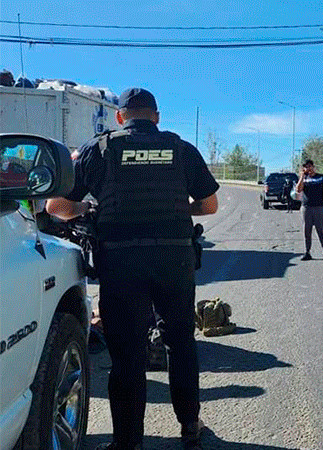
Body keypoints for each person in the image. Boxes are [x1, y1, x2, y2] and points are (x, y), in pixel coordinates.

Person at [46, 88, 219, 450]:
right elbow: (209, 205)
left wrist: (90, 210)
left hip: (121, 263)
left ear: (121, 117)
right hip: (174, 261)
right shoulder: (181, 148)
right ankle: (190, 427)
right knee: (181, 344)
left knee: (127, 354)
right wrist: (176, 210)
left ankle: (127, 442)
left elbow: (55, 206)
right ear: (157, 117)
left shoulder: (100, 149)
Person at [296, 159, 323, 261]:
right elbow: (298, 189)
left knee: (320, 230)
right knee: (307, 230)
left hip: (319, 207)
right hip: (306, 207)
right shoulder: (304, 178)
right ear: (304, 169)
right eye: (306, 167)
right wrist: (302, 176)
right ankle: (307, 252)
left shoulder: (320, 177)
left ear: (313, 166)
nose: (309, 168)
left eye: (310, 166)